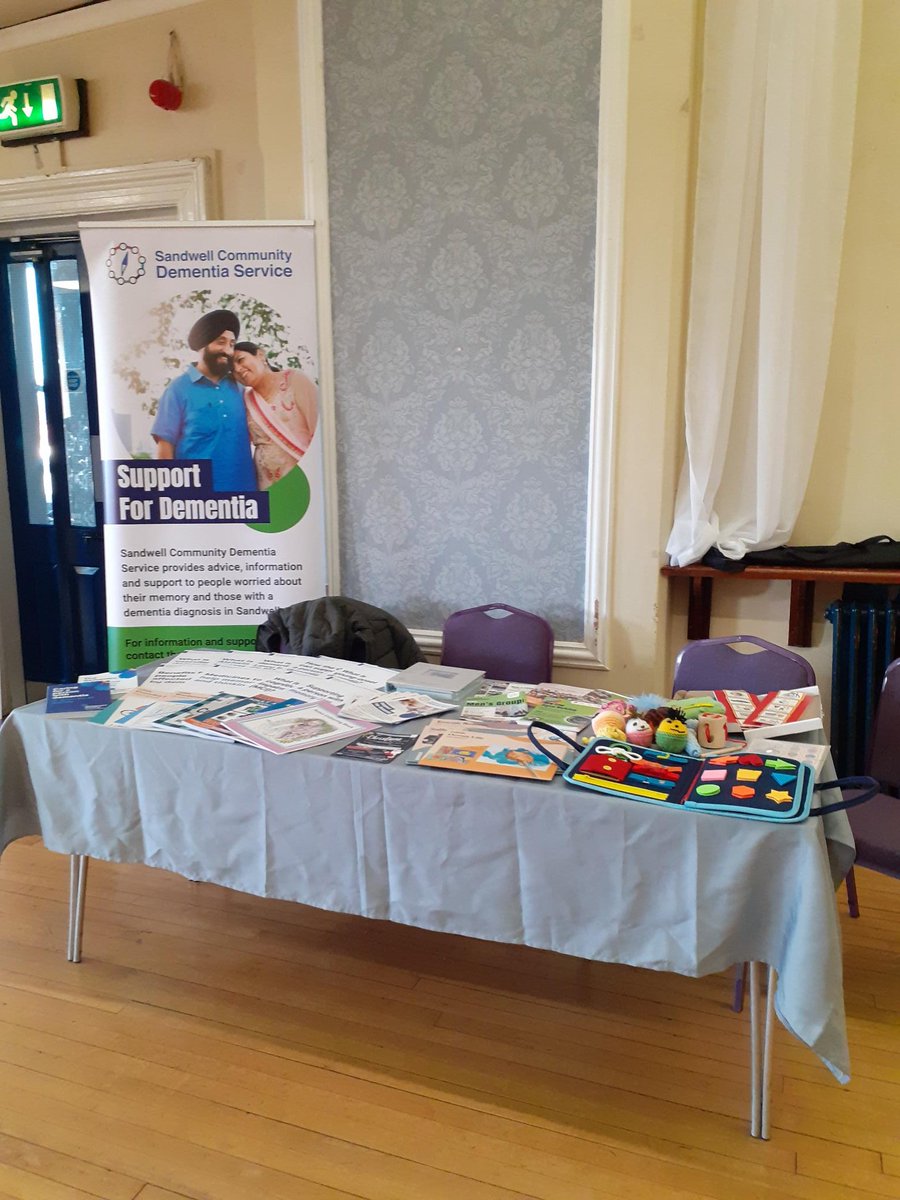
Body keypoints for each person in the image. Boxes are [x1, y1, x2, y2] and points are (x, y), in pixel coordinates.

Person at [151, 309, 256, 492]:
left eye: (232, 344)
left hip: (244, 501)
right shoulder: (178, 389)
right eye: (220, 342)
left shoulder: (241, 389)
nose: (227, 350)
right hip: (197, 503)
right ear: (203, 345)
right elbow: (164, 451)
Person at [232, 341, 318, 490]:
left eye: (240, 360)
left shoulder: (295, 380)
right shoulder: (245, 401)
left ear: (260, 355)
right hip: (267, 488)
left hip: (303, 481)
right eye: (232, 369)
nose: (238, 369)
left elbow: (319, 433)